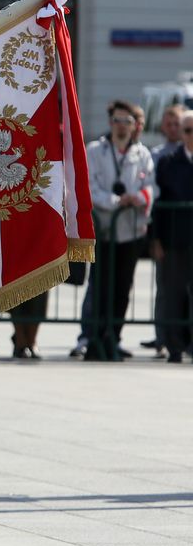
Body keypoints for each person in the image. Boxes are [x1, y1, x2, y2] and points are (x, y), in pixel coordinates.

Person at [72, 100, 155, 360]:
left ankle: (114, 336)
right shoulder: (97, 150)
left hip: (130, 231)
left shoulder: (142, 154)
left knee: (122, 287)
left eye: (126, 122)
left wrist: (138, 198)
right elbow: (90, 188)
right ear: (110, 123)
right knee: (98, 286)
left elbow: (152, 187)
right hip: (104, 230)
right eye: (117, 121)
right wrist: (116, 202)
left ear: (134, 126)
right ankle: (89, 336)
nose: (121, 126)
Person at [152, 112, 193, 362]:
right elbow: (158, 204)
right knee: (173, 294)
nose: (190, 136)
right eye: (187, 131)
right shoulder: (168, 162)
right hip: (174, 240)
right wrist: (155, 240)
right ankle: (174, 346)